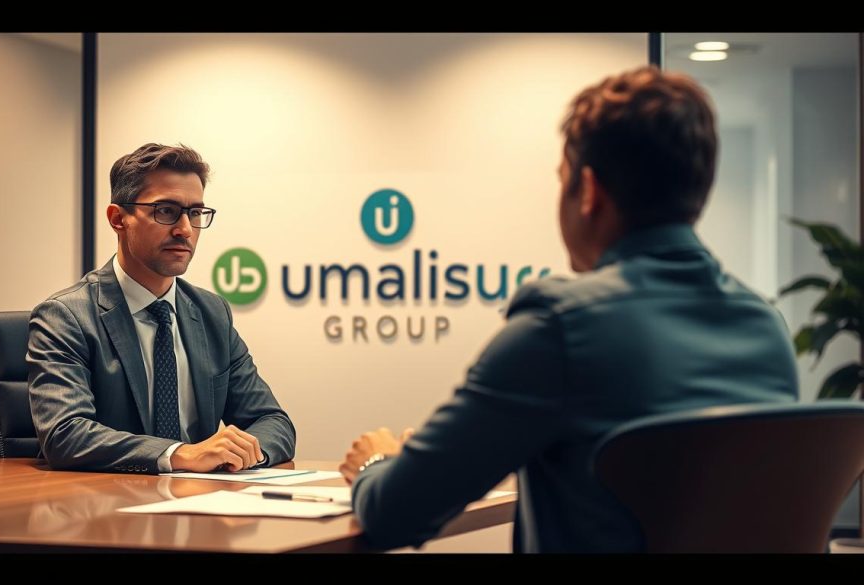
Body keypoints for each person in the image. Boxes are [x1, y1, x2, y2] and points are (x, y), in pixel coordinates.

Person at [339, 66, 798, 552]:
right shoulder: (766, 329)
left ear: (589, 192)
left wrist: (378, 463)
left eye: (563, 181)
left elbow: (396, 515)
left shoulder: (561, 328)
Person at [28, 143, 295, 474]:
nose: (184, 229)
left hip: (202, 505)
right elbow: (65, 434)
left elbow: (273, 422)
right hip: (105, 512)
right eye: (165, 211)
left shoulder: (212, 312)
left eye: (195, 213)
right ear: (118, 219)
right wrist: (179, 454)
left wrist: (242, 453)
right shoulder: (66, 316)